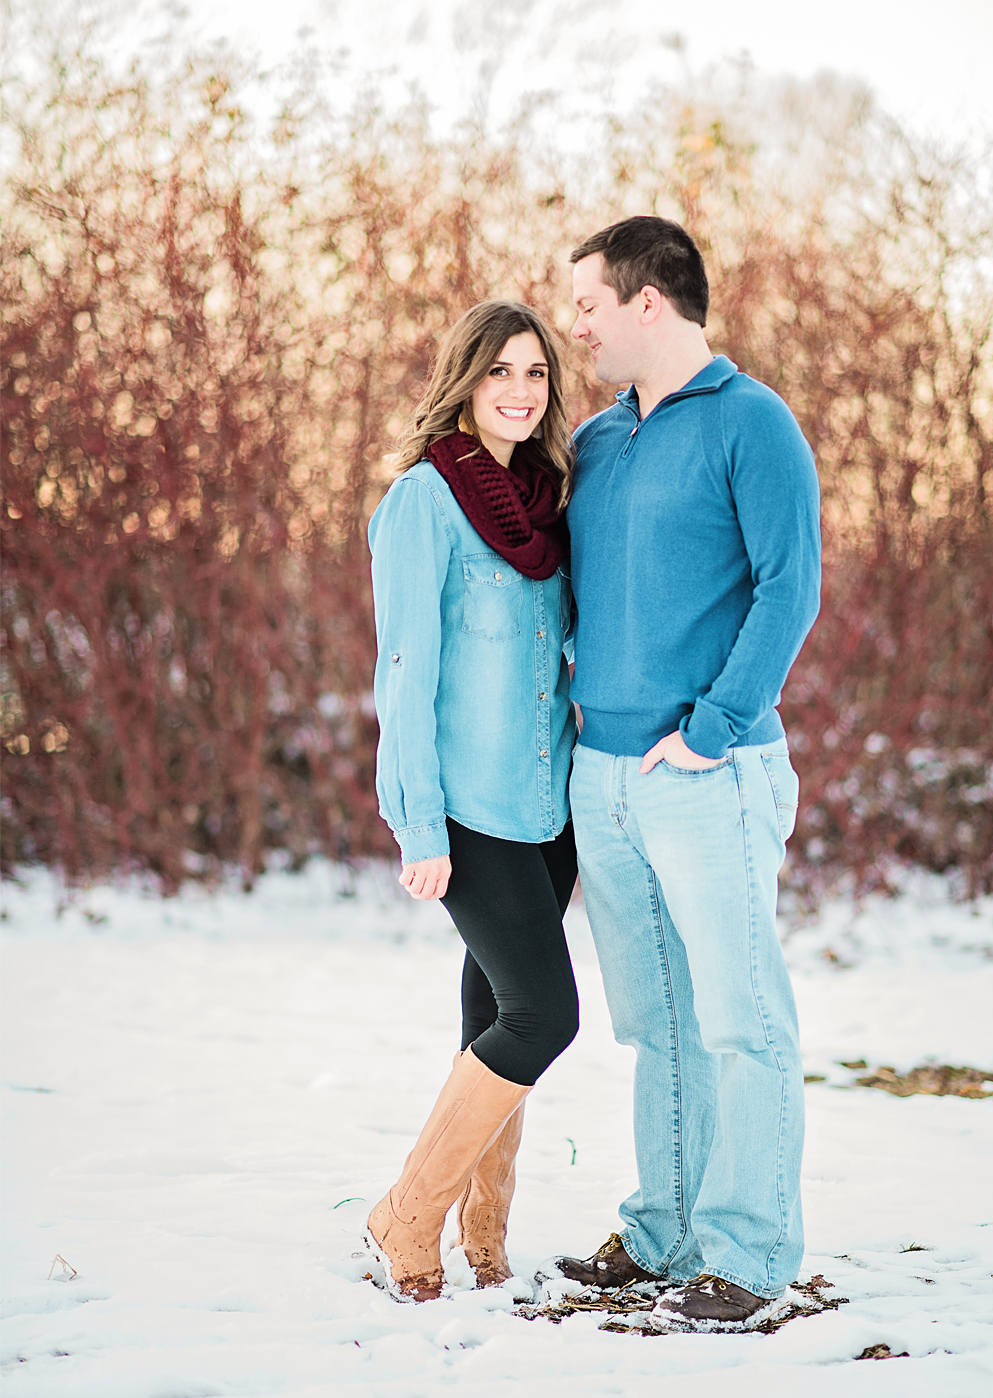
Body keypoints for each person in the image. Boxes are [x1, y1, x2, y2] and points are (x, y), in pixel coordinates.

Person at [547, 215, 822, 1334]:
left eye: (588, 305)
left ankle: (749, 1252)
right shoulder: (601, 441)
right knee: (654, 1023)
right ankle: (664, 1231)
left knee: (741, 1021)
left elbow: (788, 586)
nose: (577, 325)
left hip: (707, 773)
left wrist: (713, 726)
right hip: (601, 776)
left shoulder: (753, 424)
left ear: (647, 302)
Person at [362, 300, 582, 1302]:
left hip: (549, 812)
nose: (520, 392)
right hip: (469, 814)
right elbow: (405, 668)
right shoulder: (423, 501)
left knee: (496, 1013)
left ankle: (484, 1237)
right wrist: (417, 820)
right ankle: (406, 1215)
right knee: (543, 1015)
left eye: (536, 373)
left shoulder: (549, 497)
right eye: (500, 372)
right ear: (464, 380)